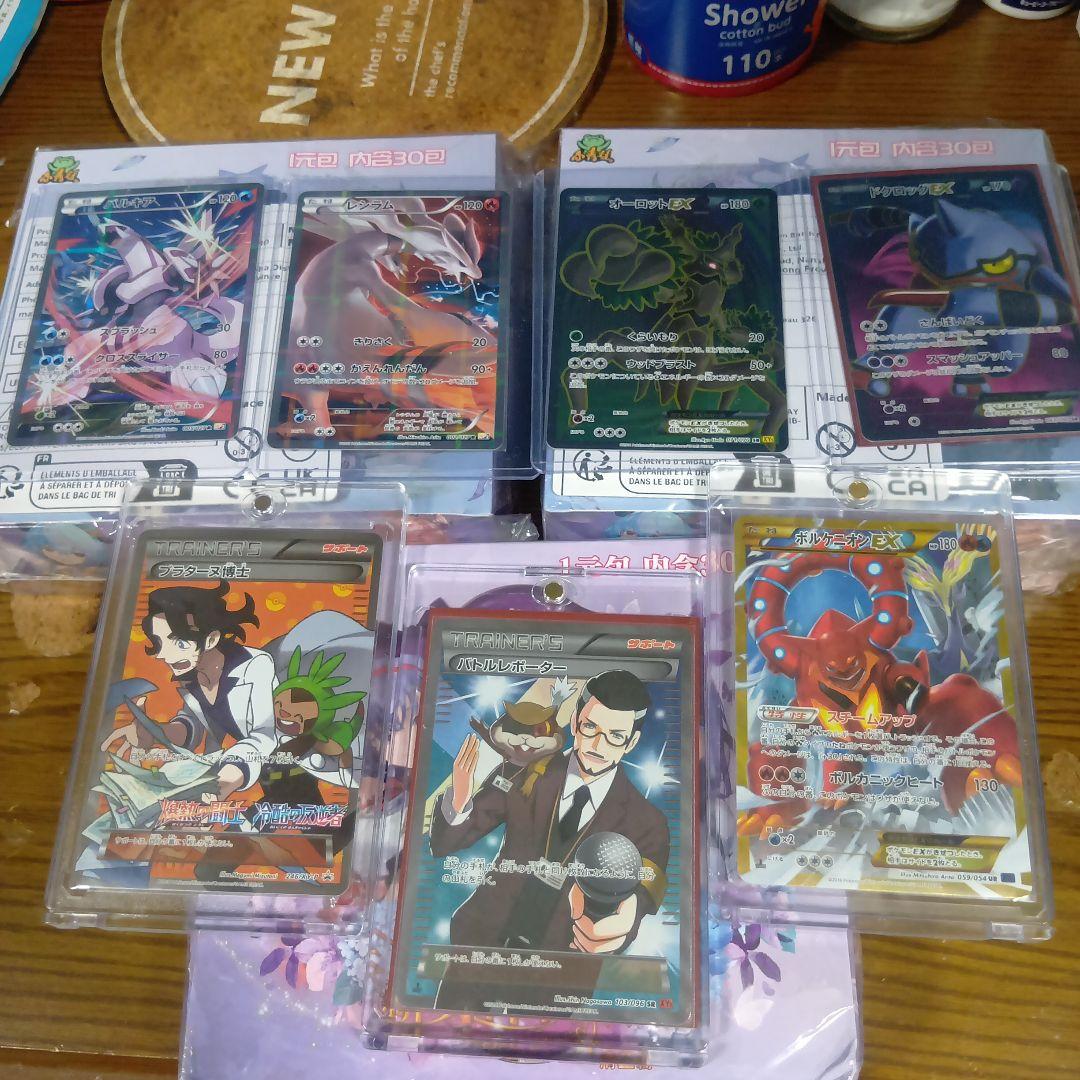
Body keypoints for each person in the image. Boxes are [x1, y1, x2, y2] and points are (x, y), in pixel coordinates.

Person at [429, 670, 670, 1010]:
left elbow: (645, 889)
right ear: (574, 722)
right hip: (479, 953)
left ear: (632, 742)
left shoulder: (647, 822)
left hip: (559, 979)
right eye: (590, 728)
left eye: (616, 736)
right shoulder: (525, 769)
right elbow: (445, 843)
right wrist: (458, 801)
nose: (598, 745)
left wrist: (626, 920)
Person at [104, 581, 277, 801]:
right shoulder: (193, 675)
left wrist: (223, 783)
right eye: (159, 642)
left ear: (211, 639)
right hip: (250, 774)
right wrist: (156, 732)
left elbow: (264, 736)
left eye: (179, 643)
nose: (162, 655)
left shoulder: (255, 666)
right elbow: (191, 726)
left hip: (290, 764)